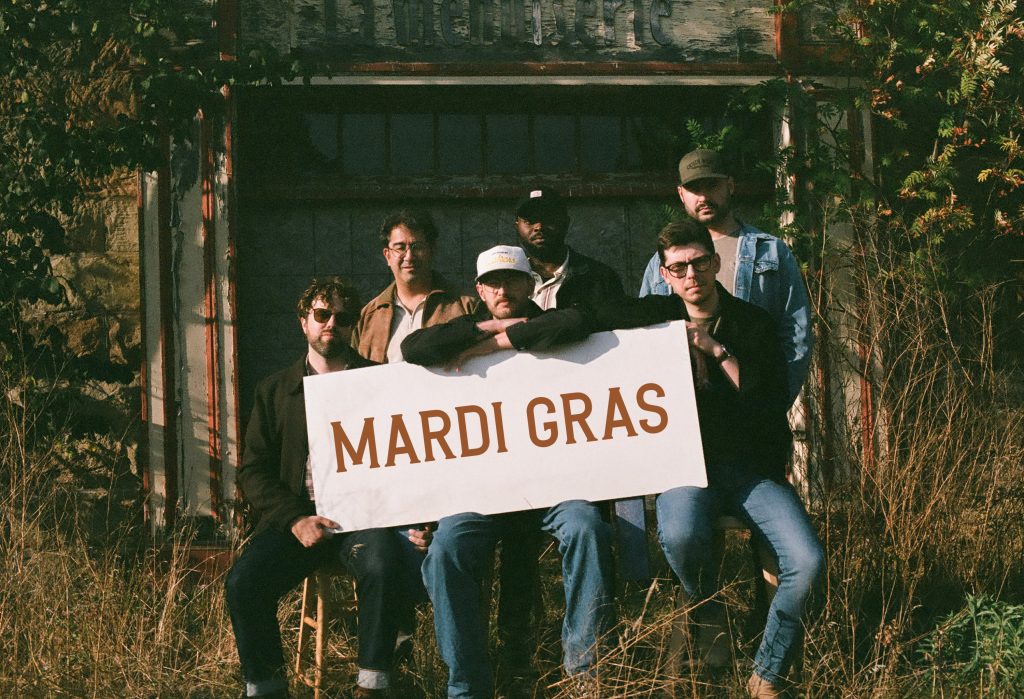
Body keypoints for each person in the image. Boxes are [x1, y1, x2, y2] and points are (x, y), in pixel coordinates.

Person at [595, 221, 825, 699]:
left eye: (699, 262)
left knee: (806, 561)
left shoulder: (752, 323)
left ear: (716, 262)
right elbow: (592, 317)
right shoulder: (654, 319)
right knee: (679, 535)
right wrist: (503, 332)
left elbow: (767, 404)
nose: (691, 274)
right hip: (686, 469)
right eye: (678, 267)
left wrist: (714, 349)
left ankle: (767, 673)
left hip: (751, 471)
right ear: (665, 275)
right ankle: (709, 608)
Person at [402, 246, 615, 699]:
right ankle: (466, 683)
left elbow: (578, 323)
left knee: (587, 527)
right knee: (445, 550)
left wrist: (504, 339)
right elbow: (413, 348)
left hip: (554, 489)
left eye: (513, 281)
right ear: (479, 290)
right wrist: (485, 329)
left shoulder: (552, 320)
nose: (503, 291)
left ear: (529, 285)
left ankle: (585, 673)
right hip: (483, 493)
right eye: (493, 283)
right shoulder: (463, 328)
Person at [226, 277, 432, 699]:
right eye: (322, 314)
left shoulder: (380, 382)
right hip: (299, 519)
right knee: (243, 583)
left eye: (342, 317)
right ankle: (267, 689)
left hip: (363, 520)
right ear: (303, 321)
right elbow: (253, 471)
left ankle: (373, 686)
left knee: (382, 564)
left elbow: (410, 458)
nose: (331, 324)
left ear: (353, 325)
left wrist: (417, 516)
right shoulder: (275, 390)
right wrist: (295, 519)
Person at [638, 149, 812, 405]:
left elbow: (796, 335)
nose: (704, 197)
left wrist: (772, 404)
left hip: (750, 406)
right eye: (694, 189)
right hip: (689, 409)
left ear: (730, 185)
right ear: (681, 194)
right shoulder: (660, 264)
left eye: (712, 185)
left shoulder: (770, 252)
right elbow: (646, 340)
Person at [352, 209, 477, 363]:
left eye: (417, 247)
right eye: (400, 248)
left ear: (432, 251)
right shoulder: (368, 316)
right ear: (387, 255)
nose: (409, 256)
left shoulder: (466, 306)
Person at [514, 187, 625, 312]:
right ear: (517, 226)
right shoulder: (503, 280)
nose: (539, 227)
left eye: (548, 218)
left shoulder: (601, 278)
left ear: (566, 223)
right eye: (530, 221)